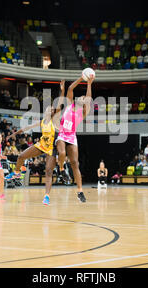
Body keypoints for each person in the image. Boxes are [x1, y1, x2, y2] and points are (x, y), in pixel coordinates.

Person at [5, 80, 65, 206]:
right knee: (21, 156)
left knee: (48, 172)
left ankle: (47, 196)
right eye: (49, 108)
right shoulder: (43, 121)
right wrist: (14, 134)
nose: (50, 109)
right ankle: (16, 173)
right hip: (41, 145)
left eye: (51, 109)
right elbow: (26, 127)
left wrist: (62, 90)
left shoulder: (55, 120)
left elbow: (60, 104)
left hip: (51, 149)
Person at [56, 74, 93, 203]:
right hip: (61, 134)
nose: (82, 98)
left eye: (83, 98)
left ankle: (80, 191)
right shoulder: (69, 104)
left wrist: (89, 83)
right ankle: (61, 169)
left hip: (71, 136)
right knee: (62, 153)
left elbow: (88, 99)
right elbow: (70, 88)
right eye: (81, 97)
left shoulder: (82, 112)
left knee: (75, 164)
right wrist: (81, 78)